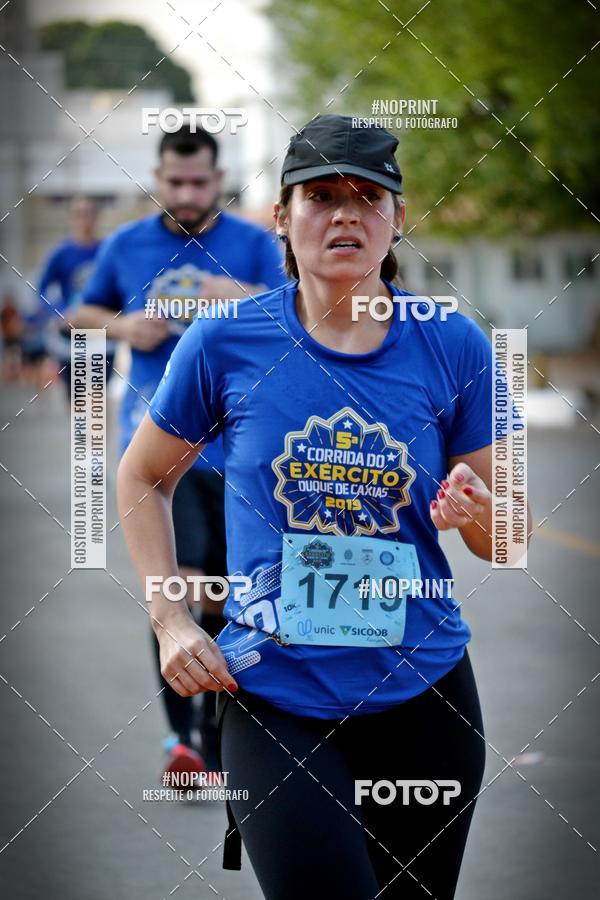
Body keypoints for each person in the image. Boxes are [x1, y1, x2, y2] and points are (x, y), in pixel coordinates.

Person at [117, 115, 531, 898]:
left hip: (425, 694)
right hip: (274, 695)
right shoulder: (226, 342)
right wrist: (171, 619)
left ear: (398, 219)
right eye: (321, 196)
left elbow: (511, 534)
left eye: (369, 197)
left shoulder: (453, 343)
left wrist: (479, 515)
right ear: (281, 215)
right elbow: (142, 477)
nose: (346, 214)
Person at [75, 124, 285, 779]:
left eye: (199, 182)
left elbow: (305, 314)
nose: (187, 192)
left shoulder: (253, 245)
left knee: (234, 596)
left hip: (244, 452)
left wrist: (245, 299)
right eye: (175, 181)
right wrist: (121, 326)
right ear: (158, 179)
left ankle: (218, 731)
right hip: (163, 454)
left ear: (218, 180)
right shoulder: (127, 245)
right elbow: (78, 313)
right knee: (175, 587)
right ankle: (181, 739)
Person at [37, 196, 115, 402]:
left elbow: (122, 285)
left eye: (89, 213)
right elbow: (41, 289)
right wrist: (60, 312)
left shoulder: (108, 250)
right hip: (71, 336)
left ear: (97, 217)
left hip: (101, 334)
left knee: (96, 400)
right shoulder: (61, 254)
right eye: (79, 213)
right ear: (71, 218)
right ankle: (79, 435)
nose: (84, 219)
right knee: (77, 399)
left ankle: (96, 435)